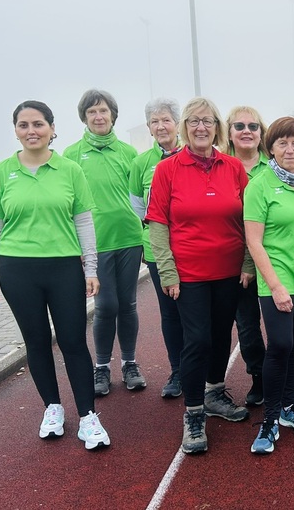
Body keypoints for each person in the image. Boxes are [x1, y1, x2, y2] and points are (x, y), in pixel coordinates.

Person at [0, 100, 110, 450]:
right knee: (36, 341)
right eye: (23, 125)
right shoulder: (1, 173)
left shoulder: (70, 170)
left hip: (64, 268)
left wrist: (91, 268)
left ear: (52, 129)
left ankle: (88, 416)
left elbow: (84, 222)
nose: (31, 131)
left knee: (73, 341)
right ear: (16, 131)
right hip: (17, 269)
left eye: (38, 124)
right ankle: (52, 408)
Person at [146, 97, 250, 455]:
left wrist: (248, 263)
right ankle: (193, 413)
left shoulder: (233, 167)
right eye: (194, 121)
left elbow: (250, 220)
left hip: (229, 271)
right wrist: (167, 271)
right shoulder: (167, 170)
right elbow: (157, 223)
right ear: (184, 127)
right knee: (198, 340)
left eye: (207, 121)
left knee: (222, 335)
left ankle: (214, 393)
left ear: (217, 127)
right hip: (188, 273)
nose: (201, 127)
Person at [244, 117, 294, 454]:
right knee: (279, 344)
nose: (290, 149)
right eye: (282, 143)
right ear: (271, 148)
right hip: (277, 279)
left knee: (293, 344)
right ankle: (270, 418)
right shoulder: (259, 185)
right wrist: (275, 286)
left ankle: (289, 406)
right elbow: (254, 241)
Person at [63, 89, 146, 396]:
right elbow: (67, 202)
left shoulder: (129, 153)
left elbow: (139, 196)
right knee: (105, 305)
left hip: (129, 238)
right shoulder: (72, 155)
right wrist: (76, 246)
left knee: (128, 304)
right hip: (94, 243)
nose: (98, 117)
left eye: (103, 111)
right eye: (92, 112)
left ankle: (129, 363)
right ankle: (101, 367)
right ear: (84, 117)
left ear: (113, 115)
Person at [129, 98, 184, 399]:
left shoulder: (192, 154)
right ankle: (177, 371)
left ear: (177, 124)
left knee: (197, 313)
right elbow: (139, 207)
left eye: (166, 120)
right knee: (170, 313)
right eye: (154, 122)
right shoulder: (141, 164)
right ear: (149, 128)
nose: (161, 126)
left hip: (192, 250)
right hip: (158, 253)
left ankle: (201, 371)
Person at [224, 106, 270, 407]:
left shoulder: (274, 165)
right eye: (239, 126)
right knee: (248, 326)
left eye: (253, 126)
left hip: (274, 258)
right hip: (235, 262)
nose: (246, 131)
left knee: (283, 325)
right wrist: (246, 262)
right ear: (229, 132)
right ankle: (259, 377)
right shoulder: (220, 166)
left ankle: (285, 380)